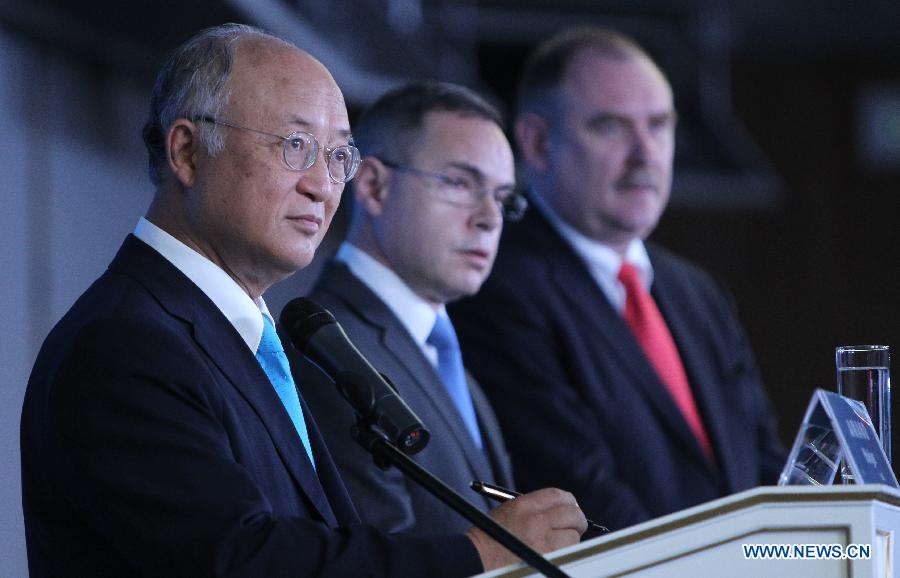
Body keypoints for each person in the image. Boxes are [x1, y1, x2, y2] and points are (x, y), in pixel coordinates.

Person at [19, 24, 586, 578]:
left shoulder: (245, 338)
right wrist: (477, 555)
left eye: (338, 156)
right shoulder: (125, 343)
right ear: (187, 152)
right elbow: (239, 559)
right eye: (294, 146)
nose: (322, 184)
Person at [450, 26, 785, 532]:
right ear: (537, 143)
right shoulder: (498, 287)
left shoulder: (697, 292)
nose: (645, 153)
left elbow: (764, 468)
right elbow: (584, 500)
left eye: (659, 126)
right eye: (612, 127)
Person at [287, 81, 526, 535]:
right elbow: (383, 555)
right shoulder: (328, 352)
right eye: (460, 182)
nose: (489, 218)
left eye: (501, 197)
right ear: (374, 187)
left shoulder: (445, 352)